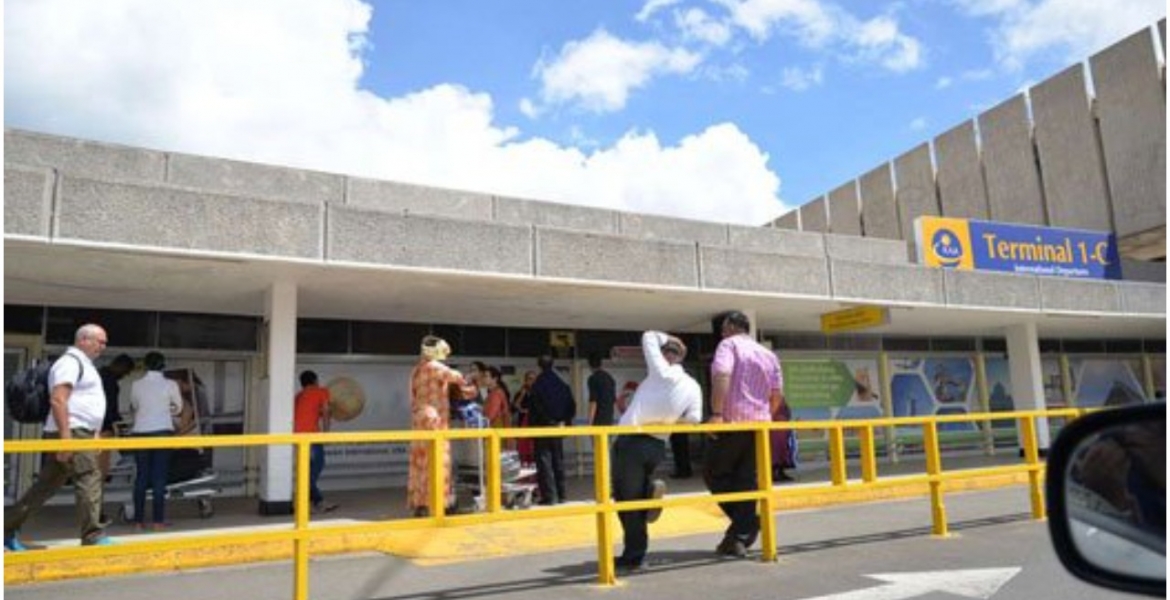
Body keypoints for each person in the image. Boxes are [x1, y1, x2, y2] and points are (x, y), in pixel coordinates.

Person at [5, 324, 113, 550]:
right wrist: (66, 439)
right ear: (83, 340)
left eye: (104, 342)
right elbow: (58, 400)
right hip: (72, 431)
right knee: (89, 477)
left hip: (78, 432)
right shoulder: (70, 363)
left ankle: (6, 528)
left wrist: (94, 434)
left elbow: (83, 403)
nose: (102, 347)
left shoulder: (83, 364)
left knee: (46, 486)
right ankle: (93, 535)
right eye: (99, 341)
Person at [612, 331, 702, 571]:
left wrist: (671, 337)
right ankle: (648, 493)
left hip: (632, 442)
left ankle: (634, 555)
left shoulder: (660, 371)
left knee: (625, 500)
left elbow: (648, 335)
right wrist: (667, 424)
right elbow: (694, 419)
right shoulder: (693, 385)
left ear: (666, 355)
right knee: (631, 497)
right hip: (657, 446)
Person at [705, 311, 784, 558]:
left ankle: (746, 522)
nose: (721, 332)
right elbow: (777, 393)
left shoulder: (728, 345)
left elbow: (722, 376)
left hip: (732, 424)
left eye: (723, 327)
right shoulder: (768, 353)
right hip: (759, 426)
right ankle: (737, 537)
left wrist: (717, 413)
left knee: (714, 474)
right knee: (746, 481)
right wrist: (764, 414)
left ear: (731, 327)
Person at [408, 336, 477, 517]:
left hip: (419, 419)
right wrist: (471, 380)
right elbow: (459, 379)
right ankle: (441, 503)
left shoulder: (417, 369)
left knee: (420, 463)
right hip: (435, 418)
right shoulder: (435, 367)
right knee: (440, 461)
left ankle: (420, 504)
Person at [128, 351, 183, 531]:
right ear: (163, 365)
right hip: (162, 432)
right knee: (159, 477)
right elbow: (178, 407)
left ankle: (138, 522)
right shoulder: (170, 384)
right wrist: (167, 410)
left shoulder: (136, 385)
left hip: (140, 432)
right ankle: (158, 521)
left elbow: (135, 406)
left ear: (145, 365)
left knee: (141, 477)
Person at [525, 355, 576, 505]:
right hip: (558, 427)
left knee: (544, 462)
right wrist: (564, 421)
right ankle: (562, 495)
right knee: (558, 460)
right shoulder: (562, 384)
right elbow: (571, 405)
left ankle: (549, 497)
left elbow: (535, 408)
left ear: (539, 365)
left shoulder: (537, 385)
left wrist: (545, 421)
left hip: (542, 428)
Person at [295, 370, 338, 514]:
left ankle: (315, 501)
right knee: (317, 466)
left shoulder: (299, 396)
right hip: (311, 436)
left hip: (297, 437)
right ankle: (311, 502)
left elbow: (305, 414)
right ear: (314, 380)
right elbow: (325, 413)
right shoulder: (321, 391)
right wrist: (326, 434)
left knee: (307, 470)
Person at [97, 354, 135, 478]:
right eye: (126, 372)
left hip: (95, 424)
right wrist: (117, 423)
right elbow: (110, 407)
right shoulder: (109, 382)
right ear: (121, 366)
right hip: (104, 425)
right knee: (101, 461)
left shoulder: (99, 375)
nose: (125, 375)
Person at [511, 371, 537, 465]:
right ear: (525, 381)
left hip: (535, 424)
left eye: (534, 379)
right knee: (523, 449)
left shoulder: (539, 392)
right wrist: (522, 394)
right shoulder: (521, 393)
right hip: (523, 423)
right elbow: (514, 407)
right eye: (530, 379)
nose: (532, 381)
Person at [770, 395, 796, 482]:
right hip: (773, 430)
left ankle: (781, 472)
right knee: (774, 452)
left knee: (784, 452)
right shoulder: (768, 396)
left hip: (783, 430)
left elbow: (787, 411)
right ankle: (772, 473)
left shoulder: (781, 397)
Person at [587, 353, 617, 426]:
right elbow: (613, 400)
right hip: (609, 418)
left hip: (598, 420)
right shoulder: (609, 378)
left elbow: (593, 402)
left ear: (590, 365)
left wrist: (590, 422)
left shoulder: (593, 379)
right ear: (601, 364)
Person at [483, 366, 512, 431]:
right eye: (484, 376)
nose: (484, 378)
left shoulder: (496, 393)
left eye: (486, 376)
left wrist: (481, 423)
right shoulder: (495, 392)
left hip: (496, 430)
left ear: (495, 379)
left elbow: (492, 414)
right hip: (497, 429)